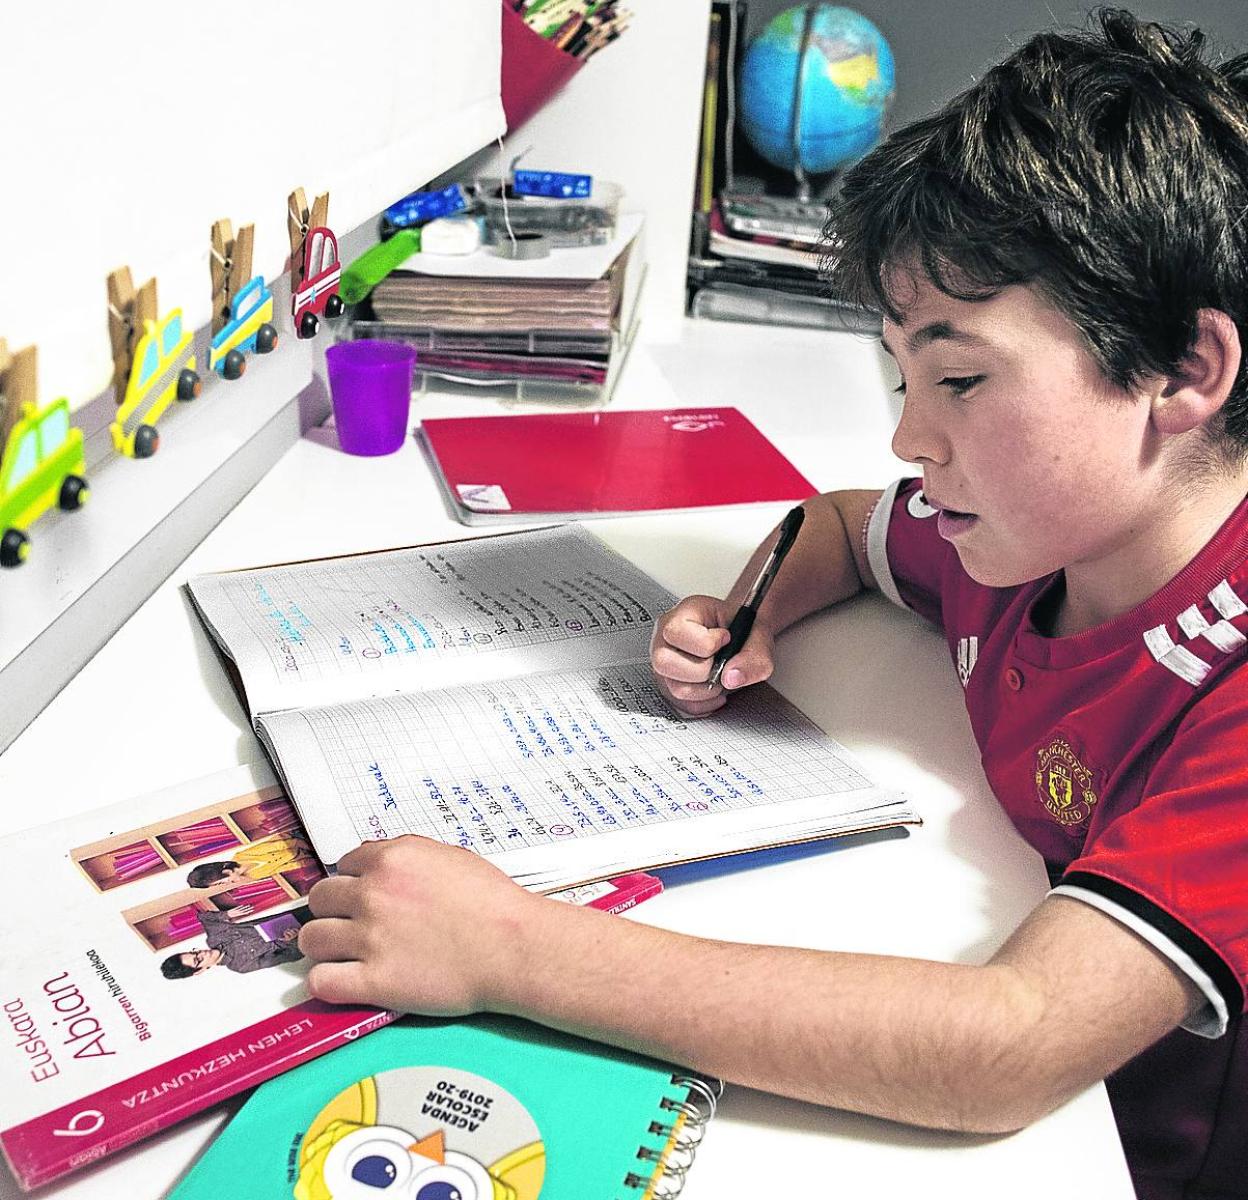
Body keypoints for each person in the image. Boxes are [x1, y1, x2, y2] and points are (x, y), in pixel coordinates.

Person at [297, 11, 1248, 1197]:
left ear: (1184, 373)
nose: (910, 434)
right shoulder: (1032, 535)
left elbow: (1014, 1043)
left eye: (960, 378)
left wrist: (504, 946)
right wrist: (751, 612)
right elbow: (846, 524)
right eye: (903, 377)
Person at [160, 905, 307, 978]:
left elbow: (203, 917)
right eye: (198, 959)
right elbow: (292, 956)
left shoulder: (214, 937)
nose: (202, 953)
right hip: (309, 933)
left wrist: (227, 914)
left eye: (195, 952)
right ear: (200, 971)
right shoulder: (241, 965)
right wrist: (290, 941)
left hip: (297, 910)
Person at [185, 831, 319, 889]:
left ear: (225, 872)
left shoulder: (242, 856)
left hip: (297, 838)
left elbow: (292, 843)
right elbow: (289, 866)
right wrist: (313, 861)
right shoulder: (253, 875)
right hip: (303, 852)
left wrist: (316, 851)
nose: (226, 884)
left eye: (221, 883)